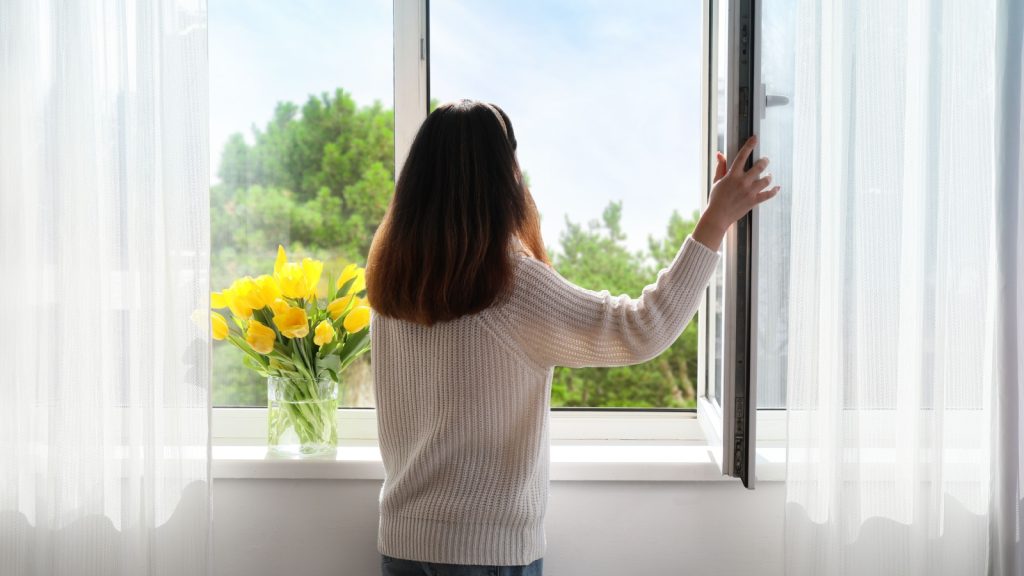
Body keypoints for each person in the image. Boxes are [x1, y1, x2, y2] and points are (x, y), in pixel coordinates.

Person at [365, 99, 778, 575]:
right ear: (503, 178)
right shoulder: (510, 285)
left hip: (401, 545)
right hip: (483, 555)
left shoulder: (392, 285)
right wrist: (716, 220)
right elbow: (643, 328)